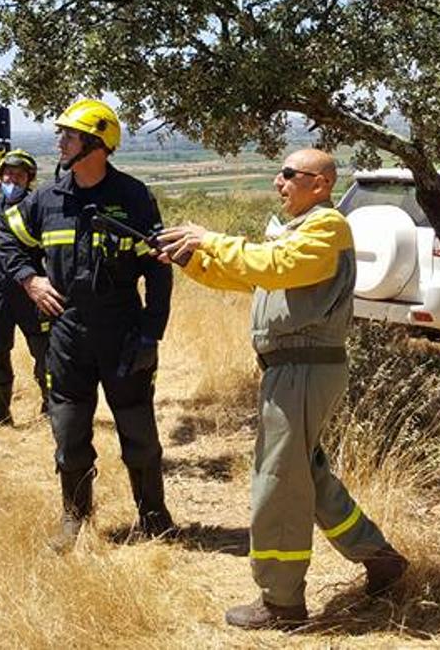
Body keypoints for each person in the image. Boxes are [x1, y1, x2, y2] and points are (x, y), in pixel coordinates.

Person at [157, 149, 408, 631]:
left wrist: (211, 236)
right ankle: (379, 557)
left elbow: (272, 265)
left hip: (303, 370)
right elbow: (248, 273)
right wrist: (191, 258)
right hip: (292, 371)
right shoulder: (297, 232)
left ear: (321, 183)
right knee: (304, 477)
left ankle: (282, 601)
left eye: (289, 174)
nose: (279, 181)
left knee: (277, 485)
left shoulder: (327, 227)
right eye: (280, 173)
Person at [0, 99, 175, 550]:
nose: (60, 142)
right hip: (67, 334)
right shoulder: (47, 200)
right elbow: (6, 240)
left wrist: (152, 334)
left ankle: (154, 517)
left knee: (140, 435)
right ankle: (74, 517)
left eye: (69, 136)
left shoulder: (132, 197)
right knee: (69, 432)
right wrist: (30, 280)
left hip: (123, 333)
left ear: (96, 144)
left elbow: (159, 269)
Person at [0, 148, 49, 432]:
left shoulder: (38, 209)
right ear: (0, 177)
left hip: (32, 296)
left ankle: (51, 410)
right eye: (7, 174)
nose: (12, 179)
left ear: (29, 179)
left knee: (45, 355)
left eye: (19, 175)